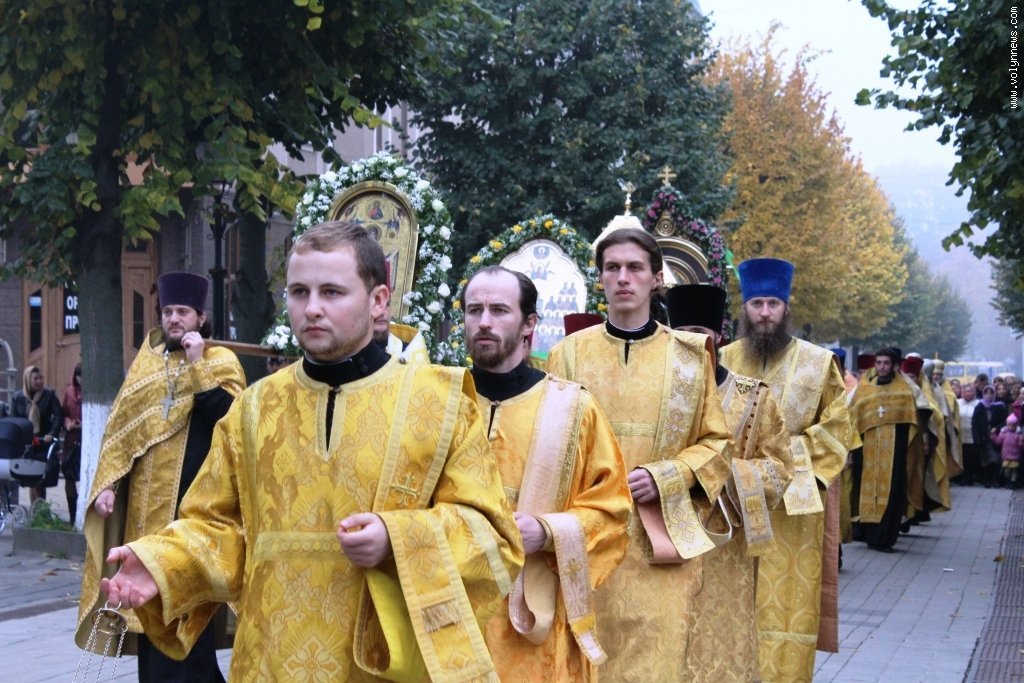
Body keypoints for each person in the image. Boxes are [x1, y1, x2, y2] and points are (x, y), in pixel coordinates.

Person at [96, 222, 524, 681]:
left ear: (378, 300)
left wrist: (397, 539)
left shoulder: (440, 403)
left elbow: (494, 538)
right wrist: (163, 564)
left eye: (332, 292)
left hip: (381, 668)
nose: (312, 308)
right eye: (299, 292)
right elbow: (217, 526)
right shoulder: (254, 408)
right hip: (270, 663)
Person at [546, 227, 732, 681]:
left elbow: (716, 444)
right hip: (585, 544)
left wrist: (669, 475)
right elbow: (548, 443)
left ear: (656, 278)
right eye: (612, 268)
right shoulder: (567, 355)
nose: (623, 277)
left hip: (659, 546)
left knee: (654, 666)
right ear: (601, 279)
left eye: (634, 267)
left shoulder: (691, 357)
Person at [75, 271, 247, 682]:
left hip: (194, 513)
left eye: (182, 312)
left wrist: (197, 365)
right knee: (148, 614)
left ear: (200, 317)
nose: (173, 319)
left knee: (188, 621)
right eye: (168, 311)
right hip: (144, 515)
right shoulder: (147, 365)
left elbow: (231, 420)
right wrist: (108, 486)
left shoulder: (221, 362)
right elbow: (121, 433)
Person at [463, 265, 630, 681]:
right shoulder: (441, 400)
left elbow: (613, 508)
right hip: (453, 612)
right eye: (474, 310)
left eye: (499, 310)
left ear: (529, 324)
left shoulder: (573, 409)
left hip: (535, 619)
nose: (484, 322)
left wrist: (549, 531)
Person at [719, 257, 851, 683]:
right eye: (756, 303)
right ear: (744, 308)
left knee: (786, 613)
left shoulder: (819, 363)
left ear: (786, 307)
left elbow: (837, 432)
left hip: (791, 514)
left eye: (773, 304)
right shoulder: (721, 359)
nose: (764, 313)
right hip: (732, 507)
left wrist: (781, 460)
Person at [666, 283, 794, 681]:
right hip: (663, 540)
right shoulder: (658, 395)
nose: (691, 343)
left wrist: (721, 473)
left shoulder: (754, 397)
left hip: (724, 548)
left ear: (717, 336)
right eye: (680, 333)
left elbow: (780, 468)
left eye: (699, 333)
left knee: (720, 653)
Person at [849, 348, 930, 553]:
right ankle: (868, 533)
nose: (882, 367)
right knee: (865, 489)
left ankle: (885, 538)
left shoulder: (903, 390)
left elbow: (915, 418)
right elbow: (852, 416)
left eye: (886, 363)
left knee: (892, 493)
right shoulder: (865, 389)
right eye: (878, 363)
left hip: (894, 452)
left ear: (893, 365)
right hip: (867, 452)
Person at [11, 365, 63, 502]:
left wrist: (52, 434)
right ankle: (35, 509)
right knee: (30, 478)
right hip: (27, 442)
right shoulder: (18, 397)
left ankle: (40, 508)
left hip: (43, 441)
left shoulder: (49, 395)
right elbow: (14, 419)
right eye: (35, 378)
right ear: (28, 379)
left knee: (40, 479)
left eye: (41, 378)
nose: (39, 381)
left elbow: (58, 416)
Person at [61, 363, 83, 526]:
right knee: (69, 477)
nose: (82, 380)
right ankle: (72, 516)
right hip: (71, 440)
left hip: (87, 440)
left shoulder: (95, 393)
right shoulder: (69, 392)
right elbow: (64, 414)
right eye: (79, 376)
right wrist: (68, 424)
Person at [977, 384, 1008, 487]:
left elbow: (1004, 422)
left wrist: (997, 428)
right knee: (985, 460)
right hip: (983, 437)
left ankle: (994, 480)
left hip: (995, 438)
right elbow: (975, 422)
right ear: (983, 394)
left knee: (995, 460)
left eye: (991, 393)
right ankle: (986, 480)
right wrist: (977, 437)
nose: (989, 395)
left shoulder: (1000, 406)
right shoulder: (979, 406)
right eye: (986, 393)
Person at [958, 383, 982, 486]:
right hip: (960, 435)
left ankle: (971, 477)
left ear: (974, 392)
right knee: (962, 458)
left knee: (972, 458)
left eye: (970, 391)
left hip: (973, 436)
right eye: (965, 391)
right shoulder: (957, 402)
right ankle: (963, 477)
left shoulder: (979, 403)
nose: (967, 393)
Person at [992, 413, 1023, 488]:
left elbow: (1020, 446)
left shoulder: (1018, 434)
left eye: (1013, 425)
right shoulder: (1003, 433)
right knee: (1007, 470)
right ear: (1007, 424)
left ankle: (1012, 482)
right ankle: (1008, 481)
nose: (1011, 427)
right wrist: (993, 436)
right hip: (1006, 456)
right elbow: (998, 441)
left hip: (1015, 456)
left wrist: (1021, 442)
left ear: (1016, 426)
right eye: (1009, 425)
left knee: (1014, 470)